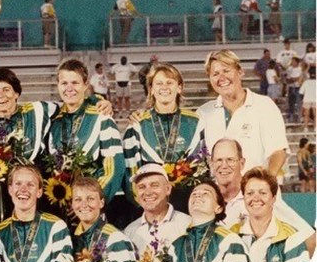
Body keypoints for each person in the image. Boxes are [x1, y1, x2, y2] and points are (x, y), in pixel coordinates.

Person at [0, 67, 57, 226]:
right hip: (3, 205)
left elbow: (71, 106)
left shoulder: (38, 111)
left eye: (6, 89)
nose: (0, 95)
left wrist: (97, 101)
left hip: (39, 197)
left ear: (16, 93)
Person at [47, 59, 125, 222]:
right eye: (64, 83)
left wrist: (88, 202)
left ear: (85, 85)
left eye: (75, 83)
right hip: (60, 208)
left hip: (91, 210)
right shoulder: (53, 120)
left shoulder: (101, 116)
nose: (69, 88)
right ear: (58, 85)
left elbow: (114, 168)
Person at [210, 138, 316, 255]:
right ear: (211, 164)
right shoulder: (205, 197)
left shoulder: (259, 197)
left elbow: (309, 238)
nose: (224, 165)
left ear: (242, 163)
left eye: (230, 160)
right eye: (219, 160)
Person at [123, 63, 206, 212]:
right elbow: (130, 171)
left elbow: (202, 165)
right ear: (151, 89)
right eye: (159, 83)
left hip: (188, 202)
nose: (164, 87)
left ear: (179, 87)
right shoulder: (137, 124)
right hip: (150, 204)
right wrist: (144, 204)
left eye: (169, 82)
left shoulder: (195, 122)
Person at [198, 49, 288, 176]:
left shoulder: (264, 105)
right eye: (215, 74)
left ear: (240, 72)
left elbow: (278, 151)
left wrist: (265, 182)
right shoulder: (203, 112)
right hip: (218, 188)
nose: (221, 78)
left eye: (226, 71)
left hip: (256, 187)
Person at [286, 56, 305, 123]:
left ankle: (300, 118)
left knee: (299, 103)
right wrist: (292, 79)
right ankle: (291, 118)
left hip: (297, 88)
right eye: (292, 61)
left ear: (297, 62)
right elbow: (288, 79)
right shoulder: (289, 69)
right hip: (291, 87)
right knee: (291, 103)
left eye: (294, 61)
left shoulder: (300, 69)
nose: (292, 62)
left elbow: (299, 78)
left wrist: (293, 79)